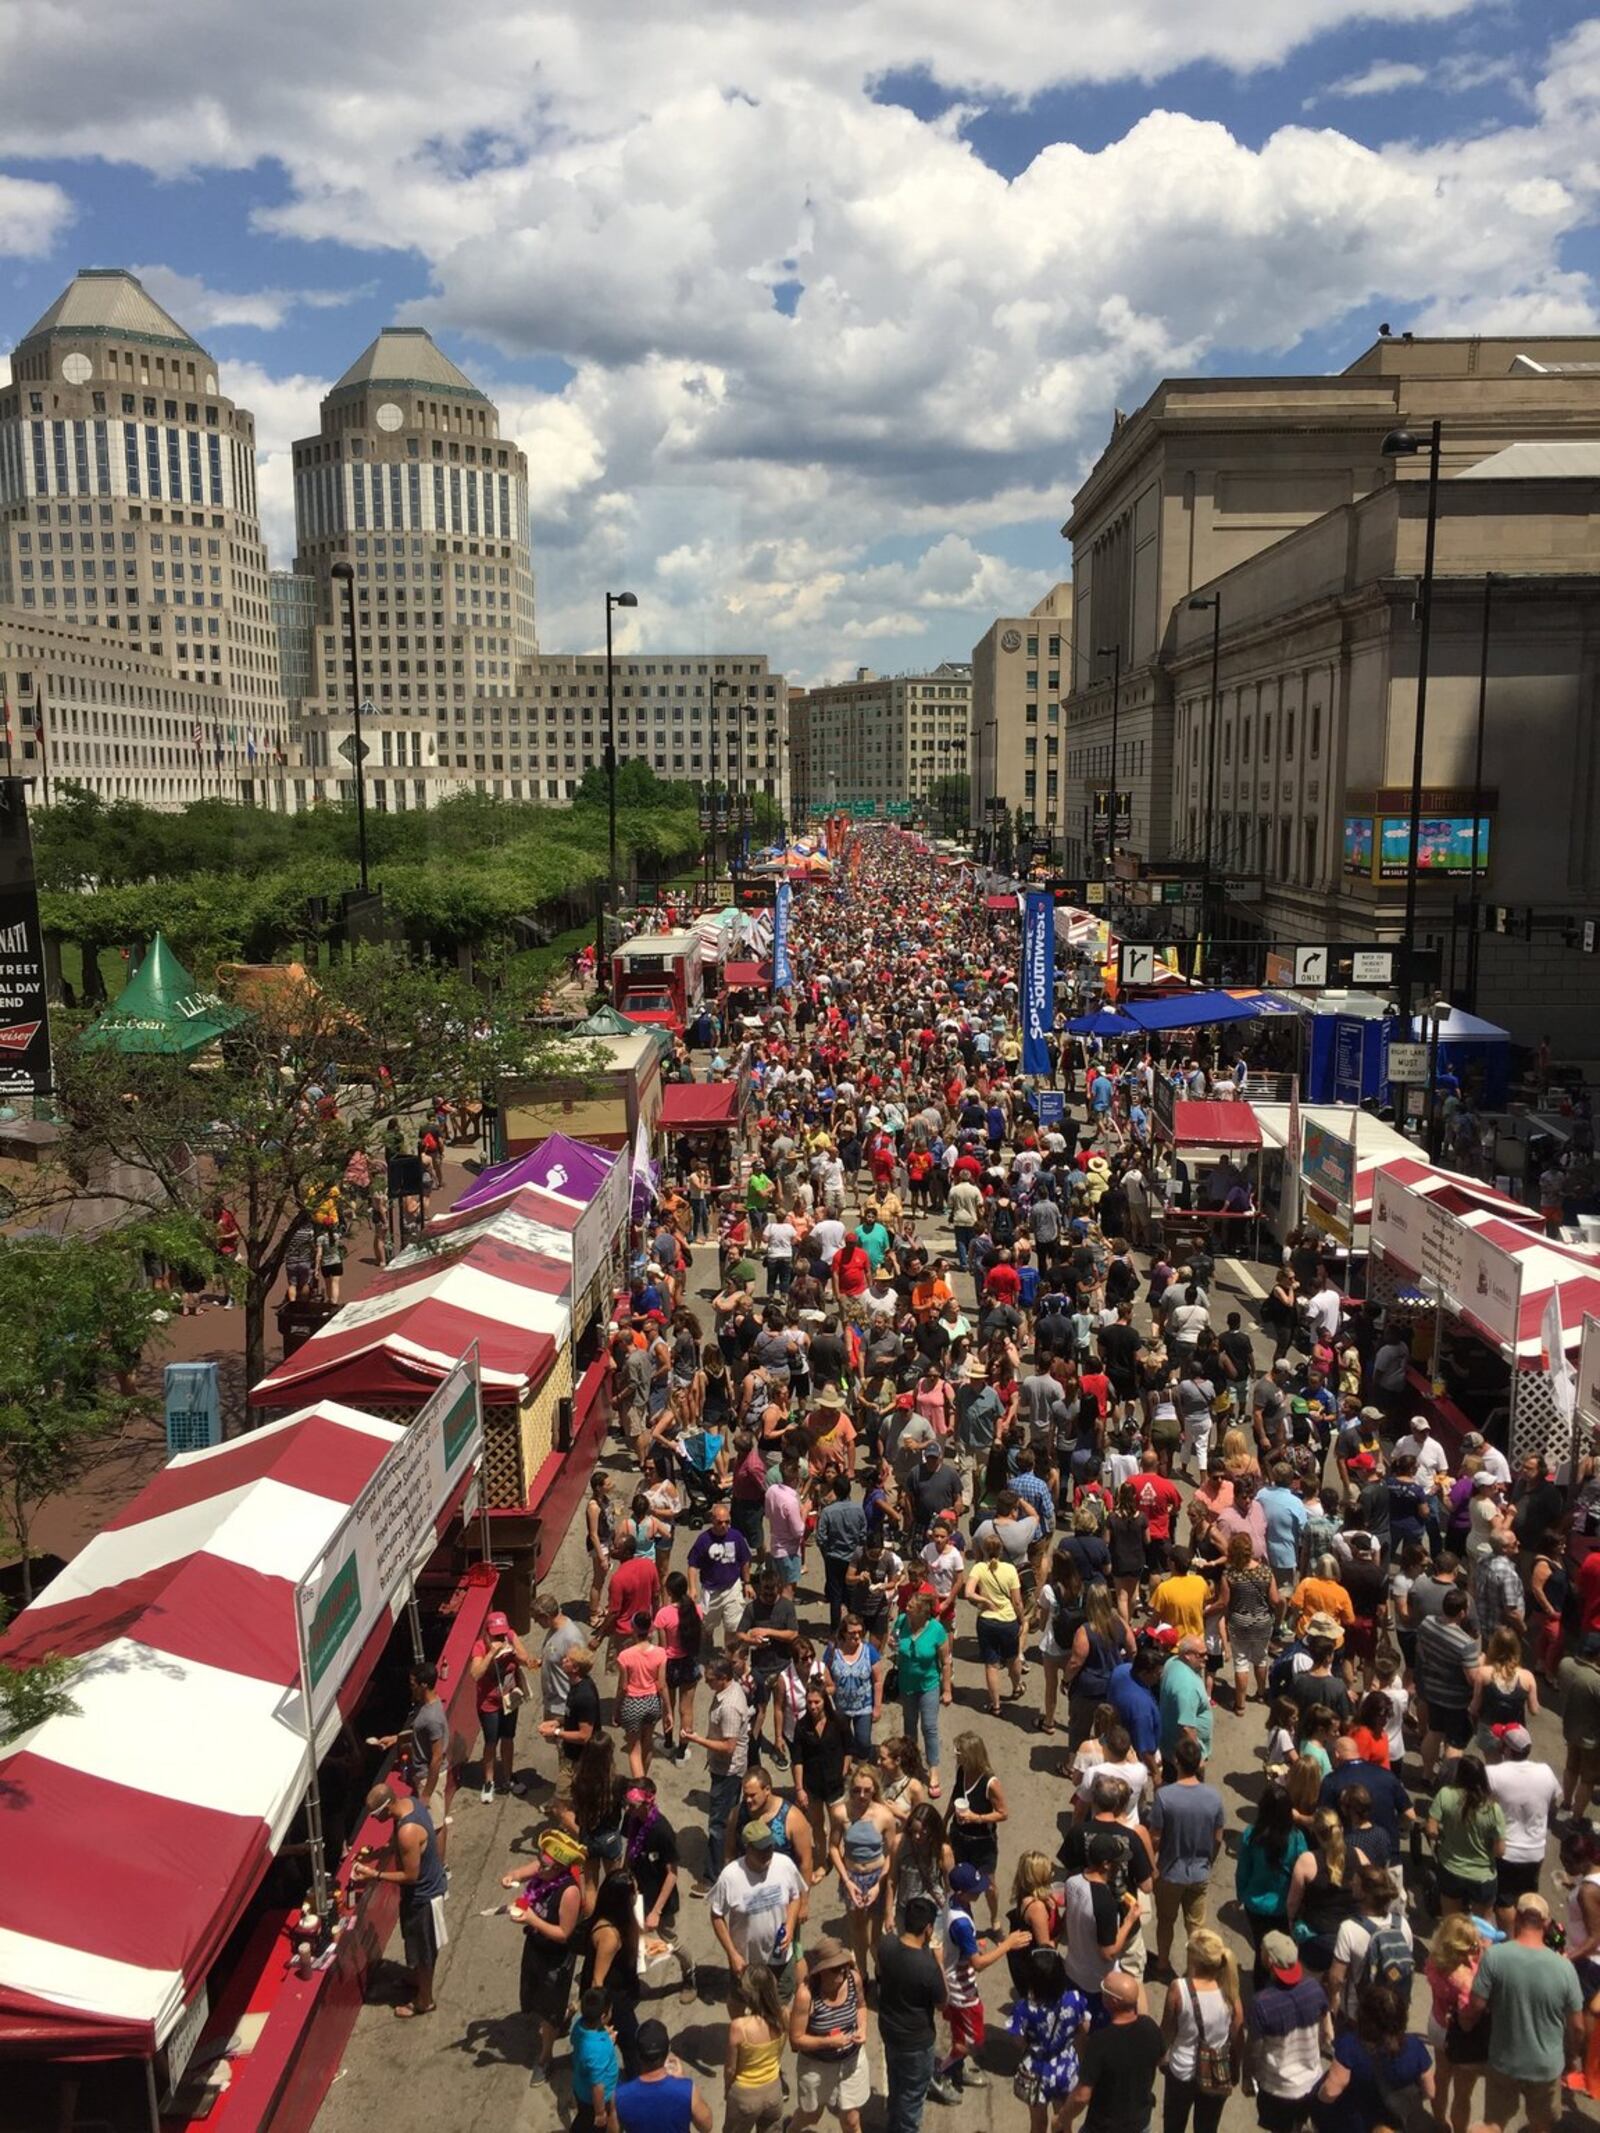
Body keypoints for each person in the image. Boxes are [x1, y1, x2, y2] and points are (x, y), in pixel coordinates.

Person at [1458, 1892, 1581, 2133]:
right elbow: (1577, 2026)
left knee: (1493, 2124)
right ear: (1545, 1924)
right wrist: (1569, 2057)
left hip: (1504, 2061)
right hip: (1546, 2066)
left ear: (1517, 1918)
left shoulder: (1495, 1957)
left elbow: (1476, 2006)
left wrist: (1465, 2024)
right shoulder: (1565, 1968)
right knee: (1540, 2126)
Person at [350, 1779, 447, 2019]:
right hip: (420, 1893)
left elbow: (410, 1875)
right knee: (414, 1943)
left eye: (375, 1814)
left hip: (424, 1896)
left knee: (424, 1952)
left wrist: (375, 1874)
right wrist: (376, 1854)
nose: (373, 1819)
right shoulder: (410, 1804)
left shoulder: (407, 1830)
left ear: (386, 1808)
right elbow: (397, 1848)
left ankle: (425, 2000)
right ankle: (416, 1979)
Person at [504, 1824, 587, 2084]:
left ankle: (545, 2057)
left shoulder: (569, 1892)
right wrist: (513, 1875)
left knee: (549, 2010)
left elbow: (564, 1933)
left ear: (559, 1867)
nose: (538, 1867)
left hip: (555, 1957)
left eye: (544, 1864)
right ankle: (560, 2016)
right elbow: (529, 1869)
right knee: (533, 1996)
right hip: (536, 1947)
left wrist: (531, 1918)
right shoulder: (545, 1870)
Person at [1311, 1981, 1434, 2133]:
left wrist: (1316, 2101)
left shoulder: (1350, 2045)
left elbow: (1330, 2091)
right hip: (1394, 2123)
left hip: (1354, 2124)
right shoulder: (1415, 2046)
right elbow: (1430, 2091)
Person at [1148, 1735, 1224, 1973]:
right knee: (1196, 1926)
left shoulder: (1165, 1796)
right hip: (1199, 1872)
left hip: (1170, 1872)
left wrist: (1152, 1866)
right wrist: (1208, 1860)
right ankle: (1195, 1969)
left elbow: (1156, 1837)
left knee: (1166, 1921)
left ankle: (1162, 1963)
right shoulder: (1214, 1797)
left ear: (1176, 1762)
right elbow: (1218, 1837)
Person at [1159, 1927, 1242, 2133]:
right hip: (1216, 2072)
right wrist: (1236, 2069)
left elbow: (1167, 2031)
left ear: (1194, 1960)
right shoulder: (1230, 1992)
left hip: (1182, 2070)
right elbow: (1237, 2035)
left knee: (1173, 2126)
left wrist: (1160, 2058)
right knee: (1207, 2128)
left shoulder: (1179, 1988)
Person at [710, 1820, 806, 2000]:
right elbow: (716, 1916)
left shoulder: (784, 1864)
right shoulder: (730, 1876)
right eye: (760, 1849)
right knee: (744, 2003)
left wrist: (791, 1926)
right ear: (747, 1847)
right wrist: (732, 1954)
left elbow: (795, 1896)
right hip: (746, 1961)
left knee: (782, 2002)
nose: (767, 1853)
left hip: (780, 1957)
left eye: (769, 1847)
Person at [1246, 1930, 1330, 2133]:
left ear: (1269, 1961)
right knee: (1300, 2125)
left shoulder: (1262, 2003)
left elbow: (1255, 2051)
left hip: (1278, 2088)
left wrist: (1248, 2078)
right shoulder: (1313, 1988)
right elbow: (1327, 2033)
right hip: (1311, 2081)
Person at [1066, 1964, 1165, 2133]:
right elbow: (1161, 2059)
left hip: (1104, 2126)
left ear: (1113, 2001)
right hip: (1140, 2122)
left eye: (1104, 1989)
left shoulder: (1100, 2041)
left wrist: (1062, 2117)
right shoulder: (1150, 2028)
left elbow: (1082, 2095)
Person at [877, 1893, 946, 2133]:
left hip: (889, 2030)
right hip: (916, 2042)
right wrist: (939, 1963)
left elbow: (879, 1973)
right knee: (912, 2099)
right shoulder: (928, 1967)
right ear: (928, 1929)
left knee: (896, 2087)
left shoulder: (886, 1945)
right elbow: (942, 2002)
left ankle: (892, 2126)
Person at [787, 1935, 871, 2133]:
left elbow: (861, 2006)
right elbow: (796, 2039)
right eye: (835, 1968)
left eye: (844, 1965)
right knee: (811, 2115)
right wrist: (828, 2042)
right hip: (817, 2067)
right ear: (821, 1972)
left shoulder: (853, 1979)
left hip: (851, 2062)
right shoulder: (806, 1995)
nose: (842, 1971)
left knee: (851, 2120)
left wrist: (862, 2028)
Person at [684, 1653, 751, 1890]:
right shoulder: (727, 1692)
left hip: (728, 1772)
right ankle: (732, 1858)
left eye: (710, 1679)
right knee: (729, 1819)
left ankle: (713, 1877)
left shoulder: (730, 1706)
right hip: (725, 1768)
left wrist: (697, 1739)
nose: (706, 1683)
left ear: (723, 1678)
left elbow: (728, 1746)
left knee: (718, 1824)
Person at [1426, 1753, 1505, 1919]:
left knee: (1451, 1923)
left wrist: (1444, 1836)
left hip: (1451, 1869)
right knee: (1481, 1930)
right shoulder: (1493, 1808)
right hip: (1482, 1876)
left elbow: (1431, 1830)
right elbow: (1500, 1851)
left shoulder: (1445, 1794)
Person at [892, 1591, 953, 1797]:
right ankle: (912, 1766)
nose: (906, 1607)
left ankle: (933, 1771)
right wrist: (893, 1646)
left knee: (929, 1727)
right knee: (909, 1726)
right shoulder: (901, 1622)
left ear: (923, 1611)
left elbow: (946, 1662)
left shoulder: (936, 1630)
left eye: (911, 1606)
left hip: (929, 1684)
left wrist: (947, 1690)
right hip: (906, 1684)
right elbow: (894, 1641)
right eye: (907, 1605)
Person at [471, 1608, 535, 1801]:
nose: (500, 1637)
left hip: (509, 1698)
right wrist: (492, 1653)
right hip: (489, 1702)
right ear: (487, 1633)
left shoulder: (510, 1636)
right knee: (491, 1740)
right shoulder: (480, 1647)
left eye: (502, 1633)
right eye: (495, 1635)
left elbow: (526, 1659)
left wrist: (513, 1650)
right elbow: (475, 1674)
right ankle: (489, 1780)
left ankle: (508, 1776)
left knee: (508, 1737)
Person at [616, 2016, 713, 2133]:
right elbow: (706, 2126)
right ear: (667, 2051)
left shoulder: (620, 2095)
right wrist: (681, 2080)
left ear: (637, 2054)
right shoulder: (686, 2090)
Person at [725, 1965, 788, 2133]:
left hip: (745, 2095)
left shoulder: (739, 2026)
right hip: (774, 2091)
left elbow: (731, 2069)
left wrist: (728, 2091)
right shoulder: (783, 2016)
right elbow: (779, 2052)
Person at [686, 1502, 754, 1649]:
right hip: (711, 1592)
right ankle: (707, 1648)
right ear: (712, 1521)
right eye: (719, 1522)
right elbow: (692, 1565)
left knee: (733, 1627)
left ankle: (729, 1659)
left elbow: (745, 1561)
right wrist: (692, 1588)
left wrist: (747, 1583)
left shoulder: (736, 1537)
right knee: (707, 1627)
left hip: (732, 1588)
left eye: (727, 1522)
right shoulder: (703, 1540)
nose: (723, 1525)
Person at [1159, 1636, 1214, 1780]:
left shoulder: (1172, 1662)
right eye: (1201, 1655)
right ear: (1187, 1655)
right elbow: (1187, 1728)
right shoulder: (1187, 1688)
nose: (1206, 1658)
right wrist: (1198, 1759)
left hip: (1168, 1745)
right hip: (1184, 1758)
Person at [569, 1986, 621, 2133]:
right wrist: (600, 2112)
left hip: (580, 2087)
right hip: (592, 2100)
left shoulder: (579, 2025)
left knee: (585, 2116)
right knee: (589, 2123)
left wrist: (604, 2037)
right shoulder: (599, 2049)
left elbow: (575, 2042)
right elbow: (597, 2086)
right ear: (603, 2016)